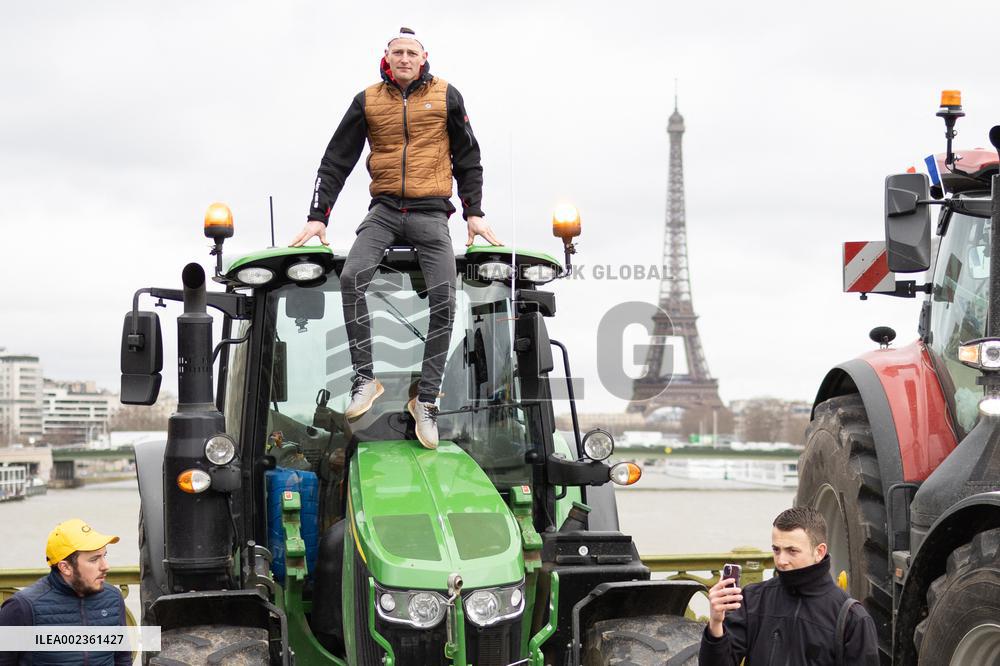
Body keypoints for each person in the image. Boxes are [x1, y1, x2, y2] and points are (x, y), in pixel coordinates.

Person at [290, 27, 502, 450]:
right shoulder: (367, 100)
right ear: (386, 57)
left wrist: (473, 211)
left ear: (424, 58)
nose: (404, 58)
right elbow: (336, 159)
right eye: (397, 52)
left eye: (411, 52)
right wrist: (318, 216)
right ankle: (366, 379)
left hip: (430, 212)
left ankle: (425, 400)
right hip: (385, 210)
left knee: (446, 297)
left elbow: (468, 156)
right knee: (352, 278)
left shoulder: (446, 95)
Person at [699, 507, 880, 665]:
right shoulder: (753, 598)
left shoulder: (853, 618)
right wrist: (715, 624)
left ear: (819, 551)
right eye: (776, 550)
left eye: (792, 551)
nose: (781, 560)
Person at [0, 518, 129, 666]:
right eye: (94, 559)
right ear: (65, 567)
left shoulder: (112, 597)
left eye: (104, 556)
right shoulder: (22, 607)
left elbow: (122, 657)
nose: (105, 566)